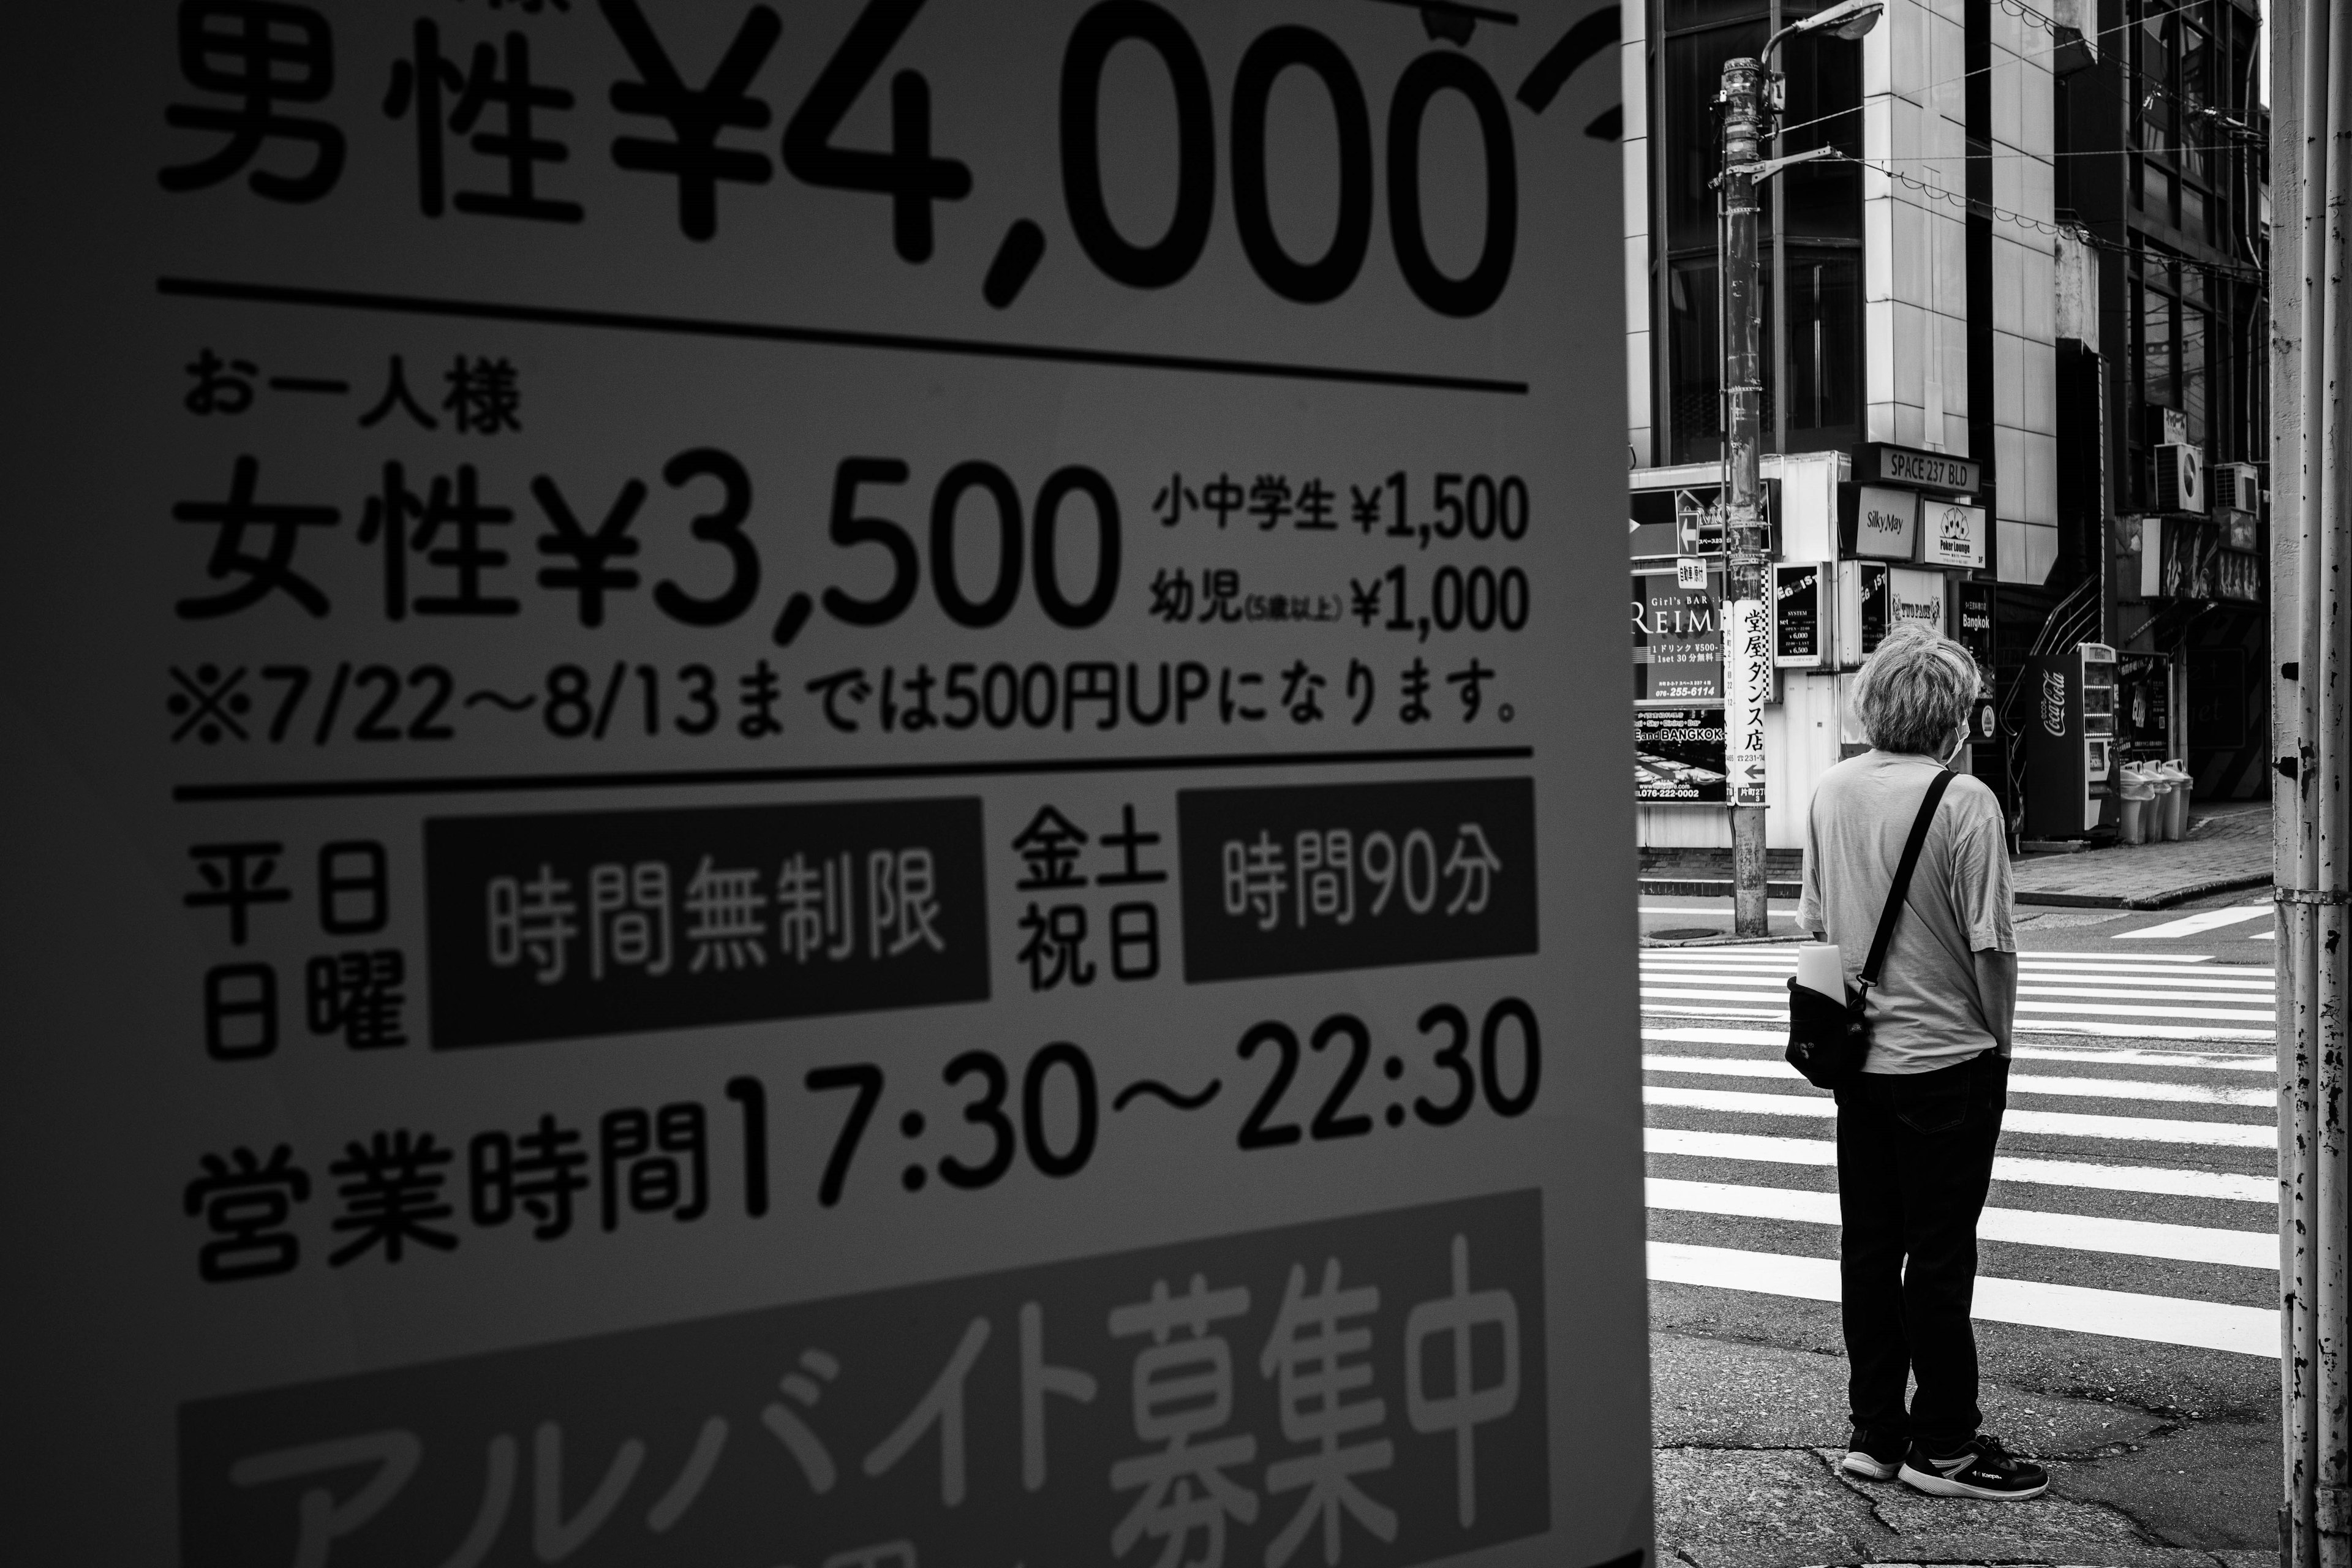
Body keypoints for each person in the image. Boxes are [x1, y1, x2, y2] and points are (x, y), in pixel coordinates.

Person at [1794, 624, 2046, 1501]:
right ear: (1952, 713)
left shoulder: (1830, 790)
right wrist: (2002, 1041)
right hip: (1949, 1062)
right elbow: (1993, 947)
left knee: (1870, 1248)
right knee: (1939, 1256)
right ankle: (1945, 1444)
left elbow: (1817, 927)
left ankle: (1875, 1434)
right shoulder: (1964, 799)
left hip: (1860, 1062)